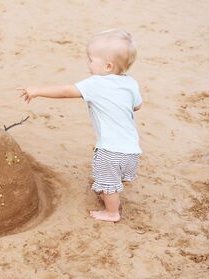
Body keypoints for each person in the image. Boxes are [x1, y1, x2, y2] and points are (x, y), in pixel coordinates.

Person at [18, 29, 142, 222]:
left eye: (91, 60)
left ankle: (112, 213)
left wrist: (38, 91)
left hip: (110, 150)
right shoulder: (131, 83)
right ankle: (113, 187)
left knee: (107, 180)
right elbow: (137, 105)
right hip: (132, 149)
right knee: (113, 177)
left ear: (108, 66)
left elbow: (67, 91)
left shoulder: (96, 83)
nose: (88, 64)